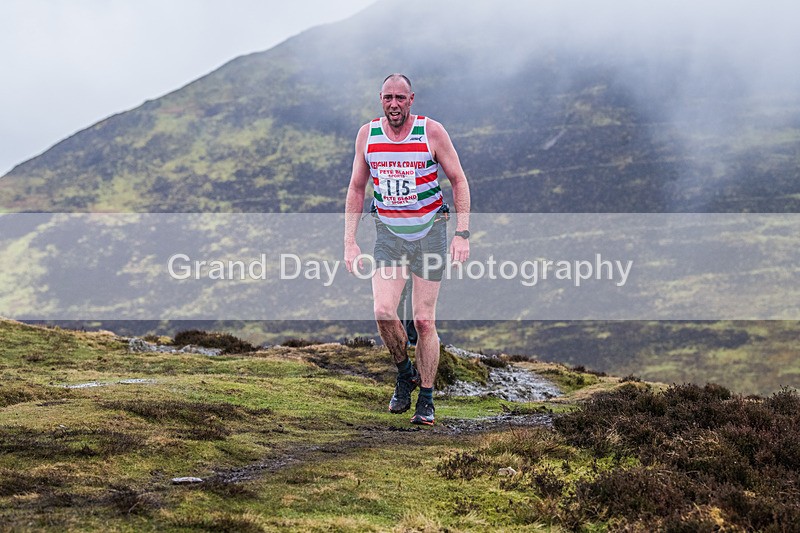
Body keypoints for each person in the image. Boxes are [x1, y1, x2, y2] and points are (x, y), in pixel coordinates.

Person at [344, 74, 471, 426]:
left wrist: (463, 233)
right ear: (380, 99)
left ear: (411, 99)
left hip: (430, 233)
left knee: (424, 320)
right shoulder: (367, 135)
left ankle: (426, 398)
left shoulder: (431, 132)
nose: (394, 104)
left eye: (401, 97)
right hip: (389, 234)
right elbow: (357, 188)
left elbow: (458, 180)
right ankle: (405, 373)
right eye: (388, 98)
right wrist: (350, 241)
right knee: (384, 311)